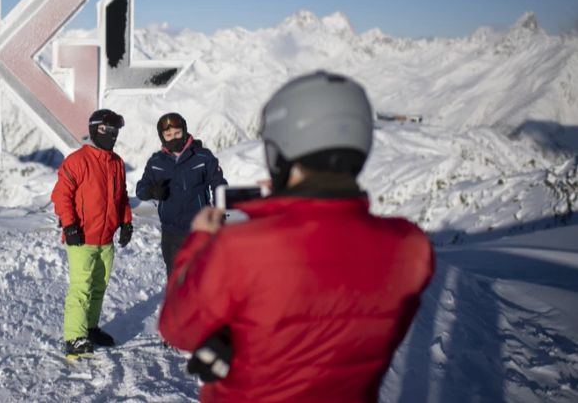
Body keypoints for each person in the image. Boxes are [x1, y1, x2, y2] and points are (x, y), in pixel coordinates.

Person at [158, 71, 435, 402]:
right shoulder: (410, 248)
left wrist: (201, 238)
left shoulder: (240, 247)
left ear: (280, 150)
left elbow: (178, 327)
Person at [51, 109, 134, 359]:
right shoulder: (77, 160)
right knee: (81, 288)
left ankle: (90, 328)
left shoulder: (117, 162)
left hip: (105, 238)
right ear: (93, 130)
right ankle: (75, 338)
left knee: (99, 286)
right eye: (105, 130)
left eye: (114, 131)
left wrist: (126, 222)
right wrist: (70, 225)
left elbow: (122, 196)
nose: (111, 135)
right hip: (81, 238)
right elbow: (60, 195)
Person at [136, 112, 227, 278]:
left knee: (204, 277)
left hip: (200, 230)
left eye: (177, 133)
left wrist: (220, 213)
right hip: (171, 233)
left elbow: (219, 185)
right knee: (177, 281)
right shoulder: (156, 162)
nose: (174, 138)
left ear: (184, 132)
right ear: (162, 137)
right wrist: (152, 191)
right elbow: (141, 190)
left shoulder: (202, 157)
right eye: (168, 135)